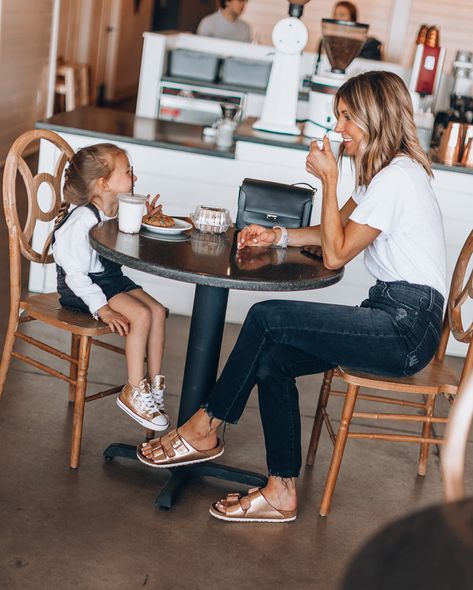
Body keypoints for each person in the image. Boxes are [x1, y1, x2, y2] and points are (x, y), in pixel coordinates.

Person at [137, 71, 447, 523]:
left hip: (407, 327)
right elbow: (330, 232)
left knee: (265, 317)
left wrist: (328, 181)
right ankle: (281, 489)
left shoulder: (396, 178)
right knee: (273, 360)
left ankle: (204, 427)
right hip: (391, 313)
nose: (338, 129)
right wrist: (277, 236)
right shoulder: (384, 174)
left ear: (375, 117)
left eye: (346, 117)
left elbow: (337, 254)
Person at [52, 143, 170, 433]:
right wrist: (102, 309)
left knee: (156, 310)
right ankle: (133, 390)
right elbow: (75, 277)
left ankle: (153, 387)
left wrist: (143, 220)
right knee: (141, 316)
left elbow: (117, 241)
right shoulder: (81, 220)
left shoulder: (112, 209)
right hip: (84, 288)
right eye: (128, 172)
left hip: (110, 278)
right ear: (104, 183)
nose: (135, 177)